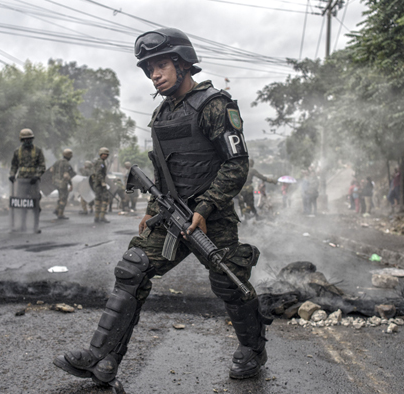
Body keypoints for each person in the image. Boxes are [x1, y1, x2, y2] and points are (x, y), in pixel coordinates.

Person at [54, 27, 271, 386]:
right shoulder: (161, 115)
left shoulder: (215, 104)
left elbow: (237, 165)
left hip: (211, 218)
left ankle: (253, 349)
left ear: (183, 64)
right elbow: (161, 171)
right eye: (149, 68)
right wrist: (151, 208)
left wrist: (205, 207)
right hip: (170, 215)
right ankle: (102, 357)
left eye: (161, 65)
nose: (154, 73)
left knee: (231, 282)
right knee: (132, 269)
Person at [9, 128, 46, 232]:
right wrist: (12, 175)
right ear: (21, 140)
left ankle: (35, 226)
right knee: (22, 203)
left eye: (29, 139)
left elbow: (42, 166)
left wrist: (37, 176)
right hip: (22, 180)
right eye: (25, 139)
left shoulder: (38, 151)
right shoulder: (17, 152)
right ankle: (22, 225)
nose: (27, 141)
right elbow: (14, 166)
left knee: (35, 204)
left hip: (33, 181)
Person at [50, 149, 77, 220]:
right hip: (63, 183)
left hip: (56, 182)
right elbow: (66, 175)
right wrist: (71, 184)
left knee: (60, 197)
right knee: (64, 199)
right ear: (69, 156)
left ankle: (56, 210)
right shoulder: (67, 164)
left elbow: (51, 170)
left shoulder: (57, 162)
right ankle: (60, 214)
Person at [92, 147, 111, 224]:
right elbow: (99, 173)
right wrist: (103, 182)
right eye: (104, 154)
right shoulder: (101, 163)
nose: (106, 155)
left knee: (98, 199)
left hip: (96, 184)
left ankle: (97, 217)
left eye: (107, 154)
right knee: (104, 199)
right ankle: (102, 216)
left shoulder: (97, 161)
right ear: (101, 154)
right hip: (100, 184)